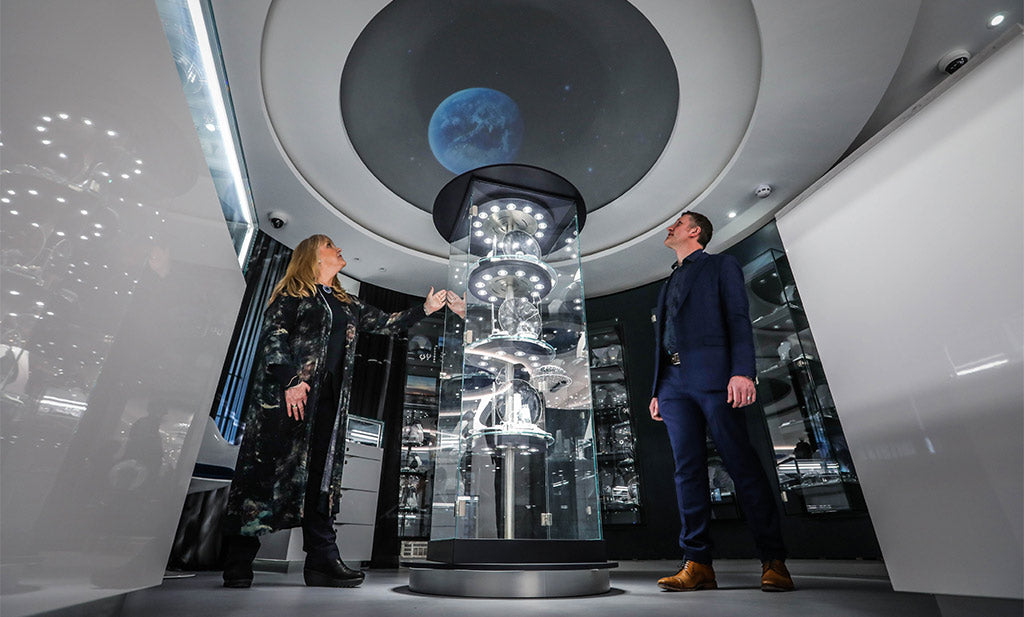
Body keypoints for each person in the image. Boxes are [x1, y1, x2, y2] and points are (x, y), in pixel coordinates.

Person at [222, 234, 449, 589]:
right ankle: (238, 560)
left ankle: (321, 560)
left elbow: (386, 323)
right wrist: (290, 380)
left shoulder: (346, 303)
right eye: (330, 246)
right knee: (264, 470)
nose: (339, 249)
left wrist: (426, 309)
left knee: (321, 476)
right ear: (313, 257)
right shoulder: (292, 295)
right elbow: (273, 337)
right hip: (287, 398)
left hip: (327, 399)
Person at [649, 212, 794, 593]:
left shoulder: (721, 265)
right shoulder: (667, 283)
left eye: (677, 224)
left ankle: (773, 560)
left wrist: (743, 371)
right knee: (686, 471)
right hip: (672, 385)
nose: (670, 228)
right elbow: (664, 338)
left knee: (740, 463)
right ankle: (697, 563)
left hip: (716, 377)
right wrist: (657, 389)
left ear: (695, 232)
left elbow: (738, 318)